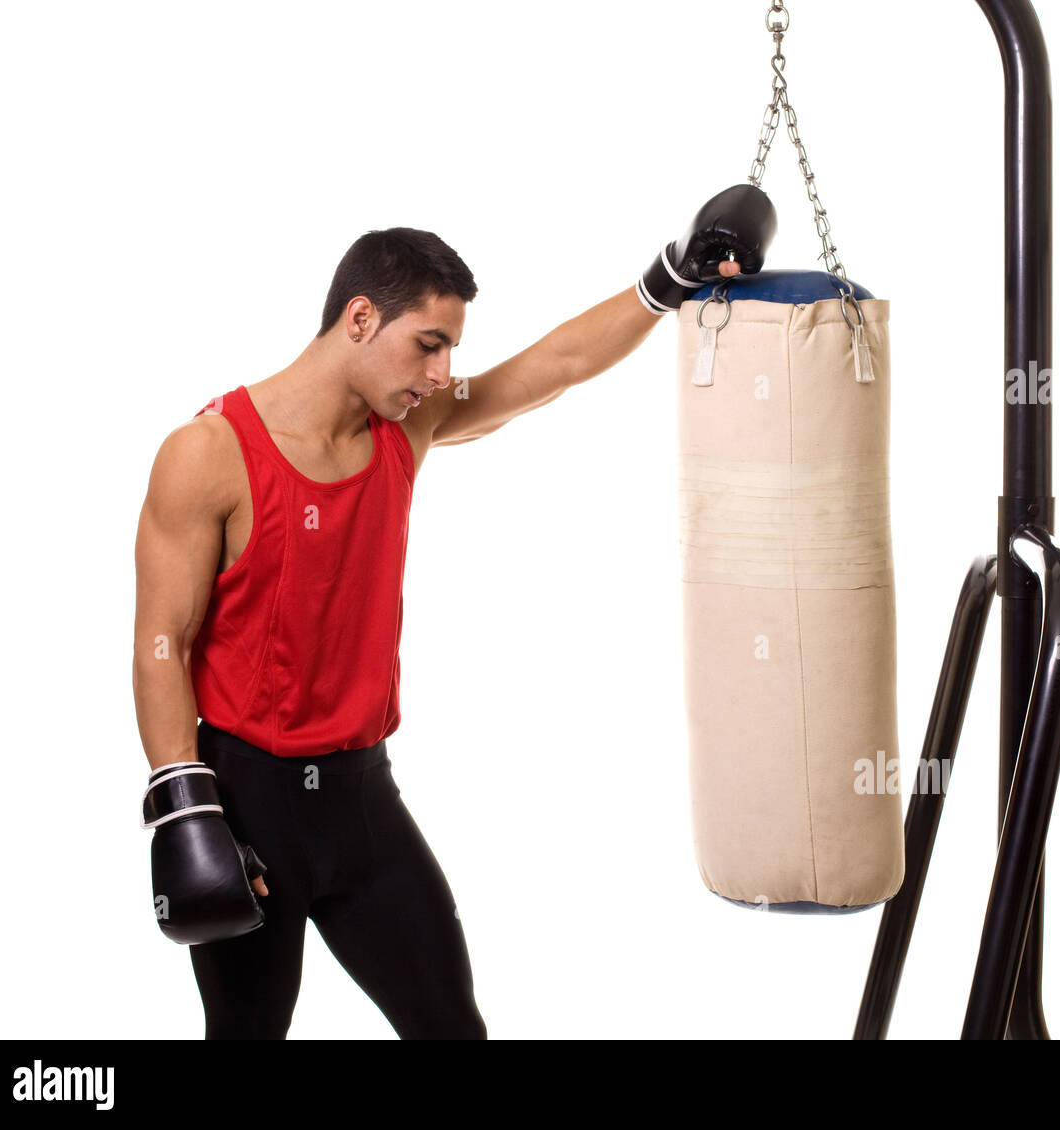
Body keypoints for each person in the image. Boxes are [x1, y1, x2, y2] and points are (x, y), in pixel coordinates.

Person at [132, 186, 776, 1039]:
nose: (442, 373)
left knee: (450, 1028)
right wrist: (184, 803)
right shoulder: (208, 454)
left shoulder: (407, 425)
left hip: (363, 801)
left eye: (450, 351)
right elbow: (162, 641)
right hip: (249, 809)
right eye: (427, 345)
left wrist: (665, 281)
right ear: (359, 318)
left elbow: (552, 368)